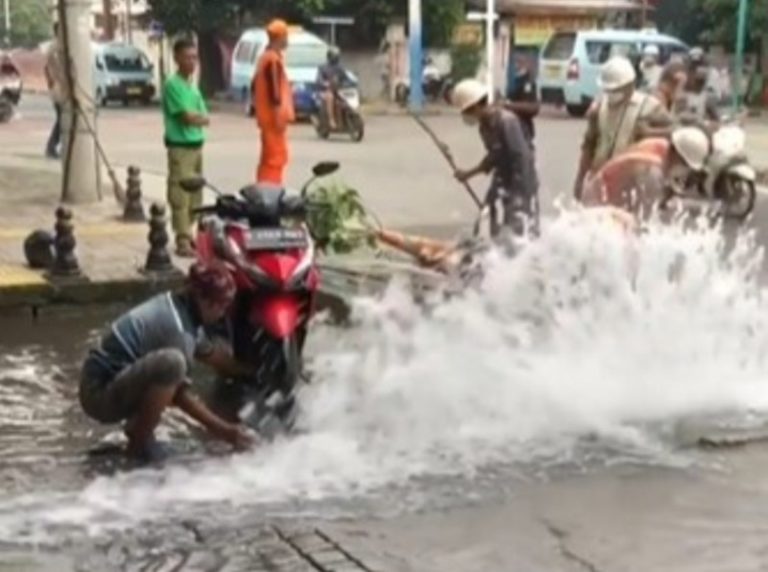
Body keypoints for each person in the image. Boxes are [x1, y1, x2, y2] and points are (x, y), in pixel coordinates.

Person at [79, 261, 255, 461]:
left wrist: (249, 372)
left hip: (109, 377)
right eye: (222, 307)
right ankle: (137, 446)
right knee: (173, 365)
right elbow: (180, 394)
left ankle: (139, 431)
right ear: (205, 300)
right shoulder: (177, 329)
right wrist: (226, 431)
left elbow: (210, 354)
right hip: (98, 393)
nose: (222, 315)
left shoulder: (182, 307)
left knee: (171, 366)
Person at [573, 56, 669, 201]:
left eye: (617, 90)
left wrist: (648, 132)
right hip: (601, 177)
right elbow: (589, 144)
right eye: (609, 90)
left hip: (634, 181)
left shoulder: (651, 107)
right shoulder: (599, 107)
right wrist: (580, 179)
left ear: (631, 85)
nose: (612, 94)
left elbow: (671, 137)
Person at [451, 79, 539, 237]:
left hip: (520, 180)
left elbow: (522, 158)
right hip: (502, 177)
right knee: (487, 216)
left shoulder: (507, 121)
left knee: (519, 226)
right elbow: (494, 157)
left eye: (466, 111)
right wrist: (468, 174)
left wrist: (520, 194)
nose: (465, 115)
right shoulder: (484, 126)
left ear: (476, 106)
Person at [582, 126, 710, 215]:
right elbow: (645, 216)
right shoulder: (651, 172)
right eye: (686, 166)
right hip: (598, 206)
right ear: (679, 157)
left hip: (596, 194)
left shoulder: (660, 145)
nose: (686, 172)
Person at [163, 38, 210, 258]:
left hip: (196, 146)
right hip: (180, 147)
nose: (192, 61)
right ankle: (182, 238)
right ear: (177, 58)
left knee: (195, 196)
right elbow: (188, 116)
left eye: (194, 57)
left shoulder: (192, 86)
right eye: (187, 57)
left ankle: (190, 234)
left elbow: (202, 115)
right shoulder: (173, 85)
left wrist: (199, 118)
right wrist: (199, 118)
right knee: (180, 194)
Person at [253, 19, 294, 185]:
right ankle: (270, 191)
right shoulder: (272, 61)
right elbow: (275, 93)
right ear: (280, 37)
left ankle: (266, 188)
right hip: (273, 121)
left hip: (268, 120)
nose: (288, 40)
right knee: (275, 159)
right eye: (286, 36)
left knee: (269, 158)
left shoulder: (265, 58)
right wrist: (278, 116)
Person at [504, 53, 540, 146]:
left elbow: (532, 107)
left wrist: (508, 105)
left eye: (519, 64)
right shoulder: (515, 81)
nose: (516, 66)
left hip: (523, 128)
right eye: (515, 63)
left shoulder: (527, 84)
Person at [44, 22, 65, 159]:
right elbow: (53, 69)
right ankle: (52, 146)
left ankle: (55, 146)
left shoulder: (54, 46)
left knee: (62, 118)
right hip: (59, 87)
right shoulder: (56, 47)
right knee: (62, 119)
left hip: (58, 86)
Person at [316, 46, 348, 130]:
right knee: (330, 96)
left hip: (337, 90)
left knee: (347, 97)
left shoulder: (340, 67)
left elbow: (346, 78)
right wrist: (325, 83)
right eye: (334, 55)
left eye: (337, 55)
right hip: (325, 91)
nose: (336, 57)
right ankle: (331, 120)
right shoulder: (323, 67)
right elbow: (318, 80)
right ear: (330, 56)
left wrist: (348, 83)